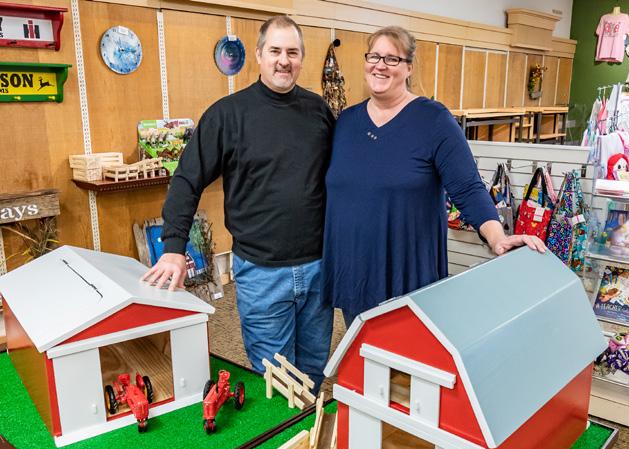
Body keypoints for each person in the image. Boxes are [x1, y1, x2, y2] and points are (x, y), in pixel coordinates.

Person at [142, 16, 335, 391]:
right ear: (259, 55)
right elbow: (187, 179)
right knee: (275, 382)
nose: (284, 60)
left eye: (292, 52)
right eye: (275, 51)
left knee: (313, 373)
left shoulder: (318, 112)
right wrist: (174, 247)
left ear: (302, 58)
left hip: (319, 268)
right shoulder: (227, 115)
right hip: (262, 274)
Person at [321, 26, 546, 327]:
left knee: (406, 352)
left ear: (409, 67)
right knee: (362, 350)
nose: (380, 65)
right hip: (356, 271)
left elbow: (467, 188)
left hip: (407, 274)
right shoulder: (347, 121)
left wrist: (497, 238)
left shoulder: (433, 120)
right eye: (374, 56)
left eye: (392, 59)